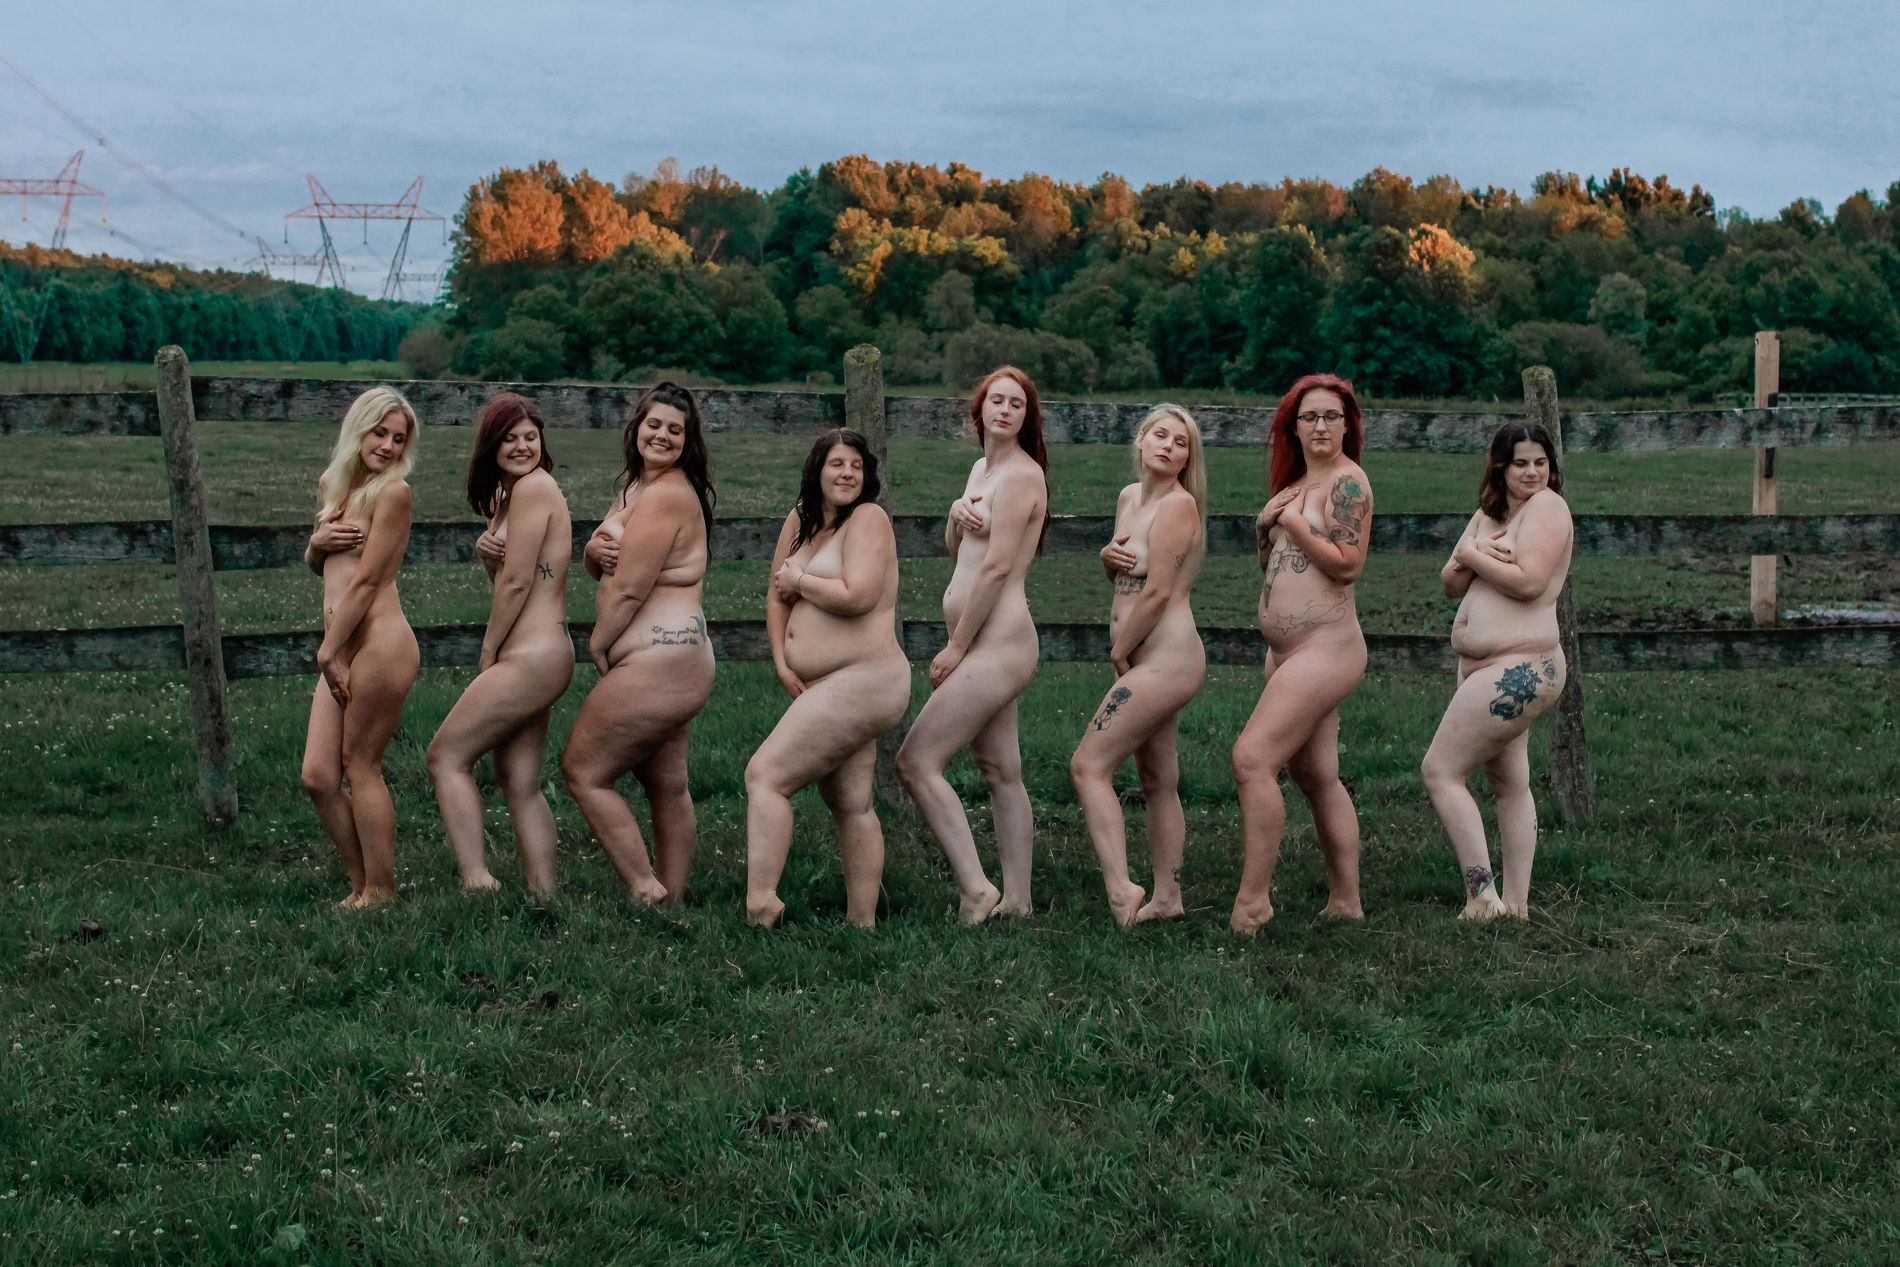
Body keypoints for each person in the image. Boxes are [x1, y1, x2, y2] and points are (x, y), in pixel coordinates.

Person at [896, 367, 1050, 925]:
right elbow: (959, 549)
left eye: (1017, 404)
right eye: (997, 401)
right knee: (1000, 769)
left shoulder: (1023, 476)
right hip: (980, 639)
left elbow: (998, 568)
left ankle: (976, 889)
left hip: (997, 643)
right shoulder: (982, 470)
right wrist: (954, 515)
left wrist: (956, 647)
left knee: (916, 761)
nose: (1005, 410)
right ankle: (1018, 901)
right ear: (979, 410)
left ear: (1026, 418)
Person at [560, 383, 716, 905]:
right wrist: (590, 553)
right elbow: (609, 561)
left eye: (675, 429)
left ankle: (646, 888)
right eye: (654, 424)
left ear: (687, 440)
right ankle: (673, 900)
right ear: (637, 428)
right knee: (666, 785)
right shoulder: (637, 487)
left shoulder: (668, 493)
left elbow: (630, 586)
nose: (662, 435)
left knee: (583, 771)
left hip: (661, 661)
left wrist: (599, 644)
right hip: (673, 660)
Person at [746, 429, 908, 928]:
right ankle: (862, 922)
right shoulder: (801, 519)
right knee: (850, 802)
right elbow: (775, 594)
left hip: (866, 677)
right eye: (837, 463)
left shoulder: (869, 519)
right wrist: (782, 661)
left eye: (856, 466)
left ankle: (761, 903)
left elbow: (859, 595)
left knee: (766, 776)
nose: (847, 474)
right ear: (817, 469)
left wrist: (801, 581)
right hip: (829, 682)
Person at [1229, 374, 1374, 934]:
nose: (1320, 426)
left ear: (1347, 425)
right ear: (1294, 426)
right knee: (1316, 776)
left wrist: (1288, 521)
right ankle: (1346, 901)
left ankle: (1253, 903)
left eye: (1331, 416)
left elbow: (1347, 564)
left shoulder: (1348, 483)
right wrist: (1265, 526)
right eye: (1309, 416)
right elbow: (1271, 563)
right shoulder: (1295, 485)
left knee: (1251, 759)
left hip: (1328, 647)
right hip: (1287, 652)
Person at [1421, 422, 1575, 920]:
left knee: (1440, 771)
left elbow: (1529, 583)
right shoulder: (1489, 514)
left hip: (1521, 666)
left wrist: (1471, 554)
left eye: (1540, 462)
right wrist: (1475, 554)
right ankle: (1517, 905)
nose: (1532, 472)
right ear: (1500, 467)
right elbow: (1449, 583)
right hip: (1485, 667)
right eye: (1520, 463)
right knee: (1509, 782)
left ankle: (1482, 897)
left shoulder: (1547, 507)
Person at [426, 394, 573, 893]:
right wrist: (487, 554)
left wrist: (488, 651)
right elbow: (509, 577)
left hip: (533, 655)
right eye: (510, 438)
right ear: (491, 445)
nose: (523, 446)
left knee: (445, 757)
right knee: (519, 780)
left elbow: (517, 585)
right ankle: (544, 893)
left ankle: (477, 880)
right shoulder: (508, 497)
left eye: (531, 436)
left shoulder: (534, 487)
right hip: (539, 652)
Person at [1070, 405, 1208, 925]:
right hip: (1141, 654)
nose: (1169, 446)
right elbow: (1128, 575)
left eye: (1181, 442)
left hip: (1167, 658)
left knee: (1089, 766)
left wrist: (1118, 650)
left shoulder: (1179, 506)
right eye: (1161, 435)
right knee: (1156, 777)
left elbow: (1158, 593)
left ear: (1187, 459)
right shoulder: (1129, 498)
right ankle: (1168, 899)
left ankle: (1121, 889)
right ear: (1142, 440)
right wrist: (1107, 561)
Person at [300, 387, 421, 907]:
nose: (389, 446)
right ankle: (360, 885)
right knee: (317, 776)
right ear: (358, 429)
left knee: (360, 764)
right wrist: (315, 545)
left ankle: (380, 889)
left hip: (378, 644)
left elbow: (369, 581)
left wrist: (329, 652)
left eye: (399, 438)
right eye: (380, 433)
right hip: (341, 646)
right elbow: (328, 566)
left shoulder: (393, 493)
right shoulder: (332, 484)